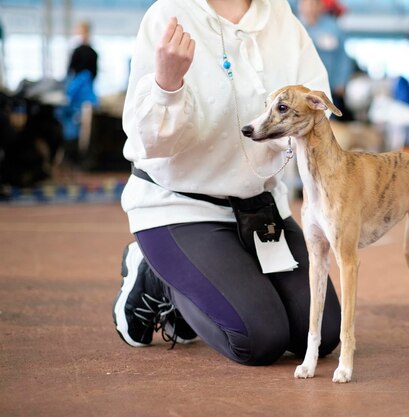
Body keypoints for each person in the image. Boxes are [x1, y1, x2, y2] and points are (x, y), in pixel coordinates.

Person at [112, 0, 341, 366]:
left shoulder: (281, 15)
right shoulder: (167, 15)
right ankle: (158, 277)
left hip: (260, 209)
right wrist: (167, 84)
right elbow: (149, 144)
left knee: (323, 333)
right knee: (259, 338)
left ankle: (216, 279)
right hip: (181, 208)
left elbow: (316, 110)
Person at [298, 0, 353, 120]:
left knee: (328, 120)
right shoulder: (295, 27)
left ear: (321, 6)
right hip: (302, 85)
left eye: (314, 4)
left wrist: (341, 81)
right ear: (300, 6)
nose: (310, 8)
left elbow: (342, 57)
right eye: (306, 3)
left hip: (329, 85)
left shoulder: (333, 28)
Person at [60, 21, 98, 163]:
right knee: (74, 127)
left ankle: (82, 156)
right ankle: (73, 156)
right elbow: (70, 72)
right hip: (76, 95)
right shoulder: (77, 51)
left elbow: (93, 74)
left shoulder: (92, 53)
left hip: (84, 95)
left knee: (85, 128)